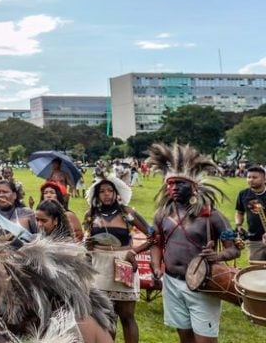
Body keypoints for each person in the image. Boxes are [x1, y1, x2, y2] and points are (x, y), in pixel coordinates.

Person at [148, 144, 239, 343]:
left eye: (179, 183)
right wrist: (156, 267)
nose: (174, 188)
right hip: (171, 282)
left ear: (193, 186)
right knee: (185, 337)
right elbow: (155, 242)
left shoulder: (212, 216)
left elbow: (234, 250)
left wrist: (217, 256)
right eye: (170, 184)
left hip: (202, 283)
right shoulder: (161, 215)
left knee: (205, 340)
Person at [82, 175, 150, 343]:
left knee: (127, 316)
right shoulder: (90, 214)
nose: (106, 194)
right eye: (102, 191)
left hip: (123, 264)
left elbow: (153, 236)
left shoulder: (127, 213)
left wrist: (134, 252)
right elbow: (86, 239)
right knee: (106, 318)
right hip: (99, 267)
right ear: (97, 195)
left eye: (110, 191)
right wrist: (87, 245)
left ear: (116, 193)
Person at [235, 165, 266, 262]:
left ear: (264, 179)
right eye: (249, 177)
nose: (251, 180)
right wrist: (239, 225)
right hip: (254, 240)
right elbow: (239, 212)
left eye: (255, 177)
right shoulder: (243, 194)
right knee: (255, 271)